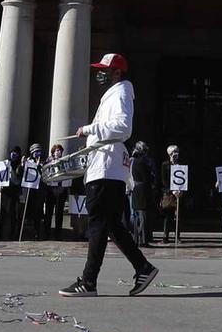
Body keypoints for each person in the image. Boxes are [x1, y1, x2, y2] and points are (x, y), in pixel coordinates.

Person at [59, 52, 157, 297]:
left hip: (106, 167)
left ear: (117, 72)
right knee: (112, 224)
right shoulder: (115, 94)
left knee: (98, 224)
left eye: (104, 69)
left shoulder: (121, 92)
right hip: (105, 165)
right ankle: (143, 267)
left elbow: (123, 127)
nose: (99, 73)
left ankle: (89, 281)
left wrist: (89, 129)